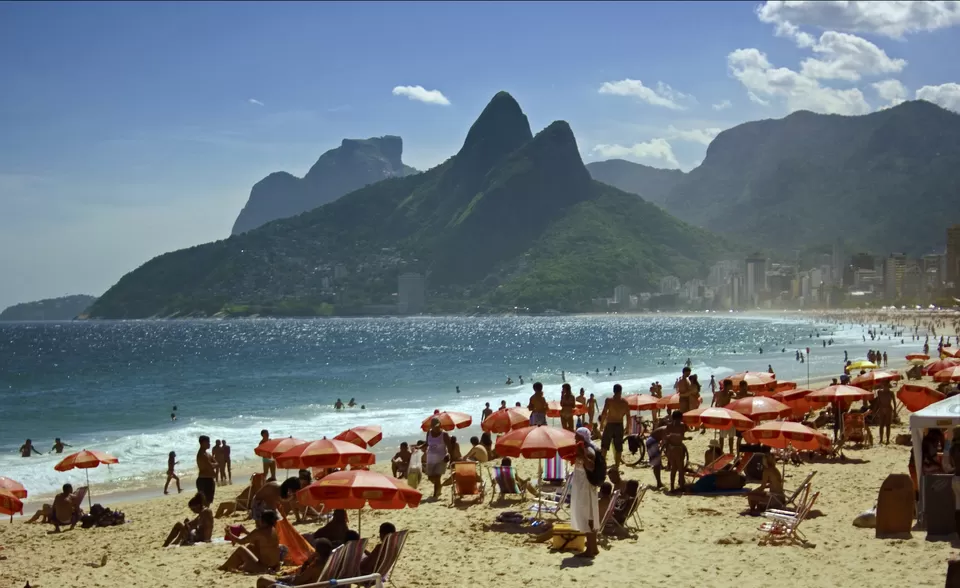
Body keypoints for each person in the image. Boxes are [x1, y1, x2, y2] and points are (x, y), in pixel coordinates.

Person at [220, 509, 285, 574]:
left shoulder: (259, 531)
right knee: (251, 547)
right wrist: (245, 531)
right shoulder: (273, 530)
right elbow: (256, 538)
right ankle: (236, 566)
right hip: (274, 566)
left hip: (264, 567)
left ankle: (223, 567)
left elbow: (241, 541)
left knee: (241, 549)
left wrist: (229, 534)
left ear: (263, 520)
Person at [571, 427, 603, 558]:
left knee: (588, 517)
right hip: (583, 486)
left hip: (586, 487)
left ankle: (590, 550)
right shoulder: (584, 448)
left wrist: (582, 455)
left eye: (577, 436)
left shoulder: (588, 450)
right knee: (589, 516)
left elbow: (590, 466)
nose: (575, 438)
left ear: (583, 437)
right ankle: (593, 548)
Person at [258, 537, 334, 588]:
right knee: (274, 578)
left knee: (262, 580)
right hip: (302, 583)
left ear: (317, 553)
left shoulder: (315, 566)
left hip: (295, 586)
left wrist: (306, 563)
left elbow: (298, 580)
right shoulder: (330, 563)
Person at [599, 384, 630, 467]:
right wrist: (627, 427)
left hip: (610, 424)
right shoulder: (625, 402)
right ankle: (617, 466)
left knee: (604, 446)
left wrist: (601, 424)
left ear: (613, 391)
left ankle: (602, 465)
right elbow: (628, 416)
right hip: (619, 425)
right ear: (621, 391)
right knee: (618, 447)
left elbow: (604, 413)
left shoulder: (609, 400)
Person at [424, 417, 450, 499]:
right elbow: (426, 444)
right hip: (430, 459)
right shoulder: (429, 433)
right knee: (430, 477)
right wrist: (418, 447)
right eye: (435, 426)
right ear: (431, 426)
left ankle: (435, 495)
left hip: (441, 459)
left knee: (437, 476)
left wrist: (448, 455)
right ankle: (439, 486)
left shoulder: (444, 434)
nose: (437, 428)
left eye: (438, 426)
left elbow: (450, 446)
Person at [664, 411, 688, 493]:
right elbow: (681, 437)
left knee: (673, 468)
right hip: (678, 448)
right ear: (680, 418)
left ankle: (672, 487)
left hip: (671, 448)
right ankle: (681, 487)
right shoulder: (681, 425)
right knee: (680, 468)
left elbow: (667, 438)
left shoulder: (669, 425)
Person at [715, 379, 736, 454]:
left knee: (727, 436)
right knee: (725, 436)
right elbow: (720, 404)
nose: (732, 386)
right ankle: (725, 451)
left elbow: (736, 397)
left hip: (726, 415)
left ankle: (729, 452)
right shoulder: (724, 393)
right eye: (731, 385)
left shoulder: (728, 393)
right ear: (728, 385)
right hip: (725, 415)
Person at [196, 435, 218, 505]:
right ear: (203, 443)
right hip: (204, 480)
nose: (209, 444)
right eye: (208, 442)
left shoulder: (207, 454)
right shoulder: (202, 455)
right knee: (204, 502)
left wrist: (213, 464)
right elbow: (211, 466)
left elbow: (216, 463)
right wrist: (213, 464)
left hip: (209, 479)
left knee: (208, 501)